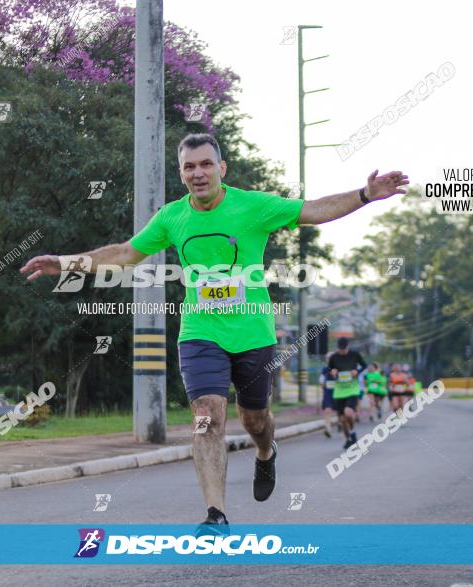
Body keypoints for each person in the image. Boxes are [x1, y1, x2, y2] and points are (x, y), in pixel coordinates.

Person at [20, 133, 408, 532]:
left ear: (222, 169)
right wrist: (66, 263)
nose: (198, 173)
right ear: (181, 174)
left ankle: (265, 452)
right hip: (200, 333)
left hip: (254, 335)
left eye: (206, 164)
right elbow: (123, 253)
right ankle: (215, 514)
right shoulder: (172, 216)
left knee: (255, 419)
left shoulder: (253, 206)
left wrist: (365, 193)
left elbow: (314, 210)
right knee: (207, 416)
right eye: (189, 166)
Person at [328, 337, 367, 449]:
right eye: (340, 349)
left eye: (344, 349)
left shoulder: (355, 355)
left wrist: (357, 371)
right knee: (342, 420)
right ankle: (348, 438)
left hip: (352, 388)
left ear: (348, 347)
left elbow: (364, 365)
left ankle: (353, 431)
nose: (342, 351)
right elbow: (329, 369)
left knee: (348, 413)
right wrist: (333, 372)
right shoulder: (333, 357)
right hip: (339, 391)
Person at [319, 356, 336, 438]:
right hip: (328, 393)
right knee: (327, 410)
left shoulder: (339, 368)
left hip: (338, 393)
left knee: (340, 412)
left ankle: (340, 423)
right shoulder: (325, 369)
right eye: (328, 358)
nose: (329, 359)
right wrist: (323, 387)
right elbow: (321, 380)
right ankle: (328, 429)